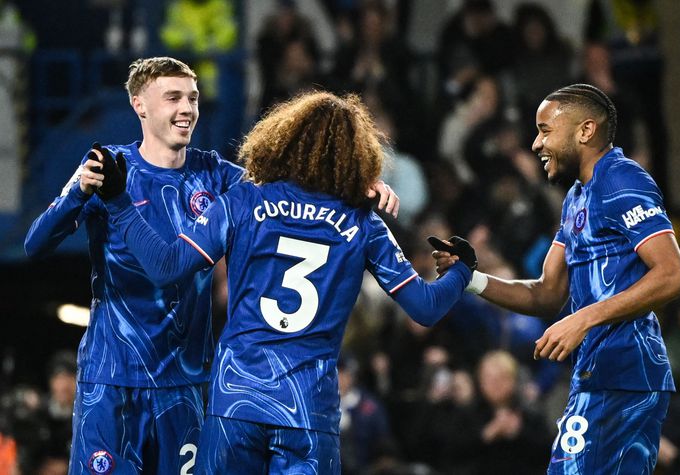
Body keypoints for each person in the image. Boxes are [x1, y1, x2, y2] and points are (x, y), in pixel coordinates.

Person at [24, 57, 400, 474]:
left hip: (185, 382)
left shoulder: (222, 177)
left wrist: (353, 184)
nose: (187, 108)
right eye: (173, 97)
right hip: (111, 377)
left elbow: (298, 193)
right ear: (139, 105)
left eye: (193, 98)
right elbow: (36, 243)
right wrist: (77, 193)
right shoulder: (107, 167)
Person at [94, 91, 476, 473]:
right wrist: (462, 269)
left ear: (283, 139)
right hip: (308, 411)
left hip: (236, 402)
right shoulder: (363, 224)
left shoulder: (241, 200)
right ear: (357, 156)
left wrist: (118, 201)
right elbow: (425, 308)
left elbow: (164, 266)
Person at [432, 83, 680, 474]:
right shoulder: (576, 198)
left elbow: (672, 275)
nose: (536, 144)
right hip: (598, 376)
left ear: (585, 131)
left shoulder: (621, 180)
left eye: (545, 130)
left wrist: (584, 318)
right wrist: (471, 278)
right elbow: (547, 293)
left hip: (624, 375)